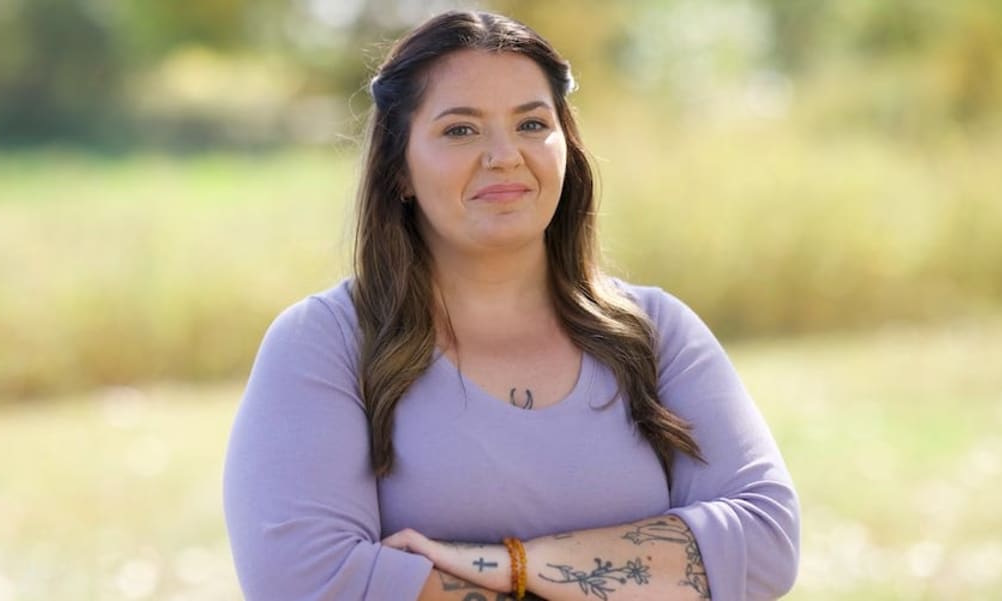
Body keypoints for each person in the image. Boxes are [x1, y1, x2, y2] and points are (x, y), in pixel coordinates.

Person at [223, 10, 799, 601]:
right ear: (399, 169)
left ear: (565, 148)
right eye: (460, 130)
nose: (504, 155)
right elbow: (305, 581)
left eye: (531, 124)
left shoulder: (656, 333)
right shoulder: (324, 344)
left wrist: (508, 565)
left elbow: (765, 543)